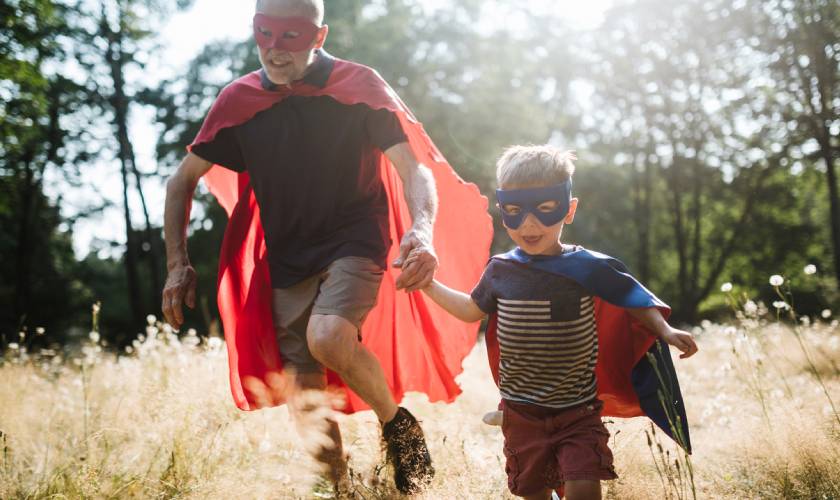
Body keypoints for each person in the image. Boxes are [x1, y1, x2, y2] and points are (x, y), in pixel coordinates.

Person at [160, 0, 492, 495]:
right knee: (303, 392)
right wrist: (176, 264)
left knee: (330, 336)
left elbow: (413, 167)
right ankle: (339, 488)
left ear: (318, 36)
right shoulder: (240, 100)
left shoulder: (359, 87)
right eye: (264, 34)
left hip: (355, 239)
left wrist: (421, 228)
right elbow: (181, 181)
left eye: (289, 36)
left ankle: (397, 426)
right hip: (289, 258)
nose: (274, 50)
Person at [416, 145, 699, 500]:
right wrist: (427, 284)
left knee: (583, 487)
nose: (529, 224)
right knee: (533, 491)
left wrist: (666, 330)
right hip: (522, 414)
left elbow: (634, 300)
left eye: (545, 208)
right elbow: (472, 309)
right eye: (515, 211)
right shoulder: (501, 270)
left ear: (569, 209)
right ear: (502, 209)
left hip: (577, 411)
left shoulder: (587, 267)